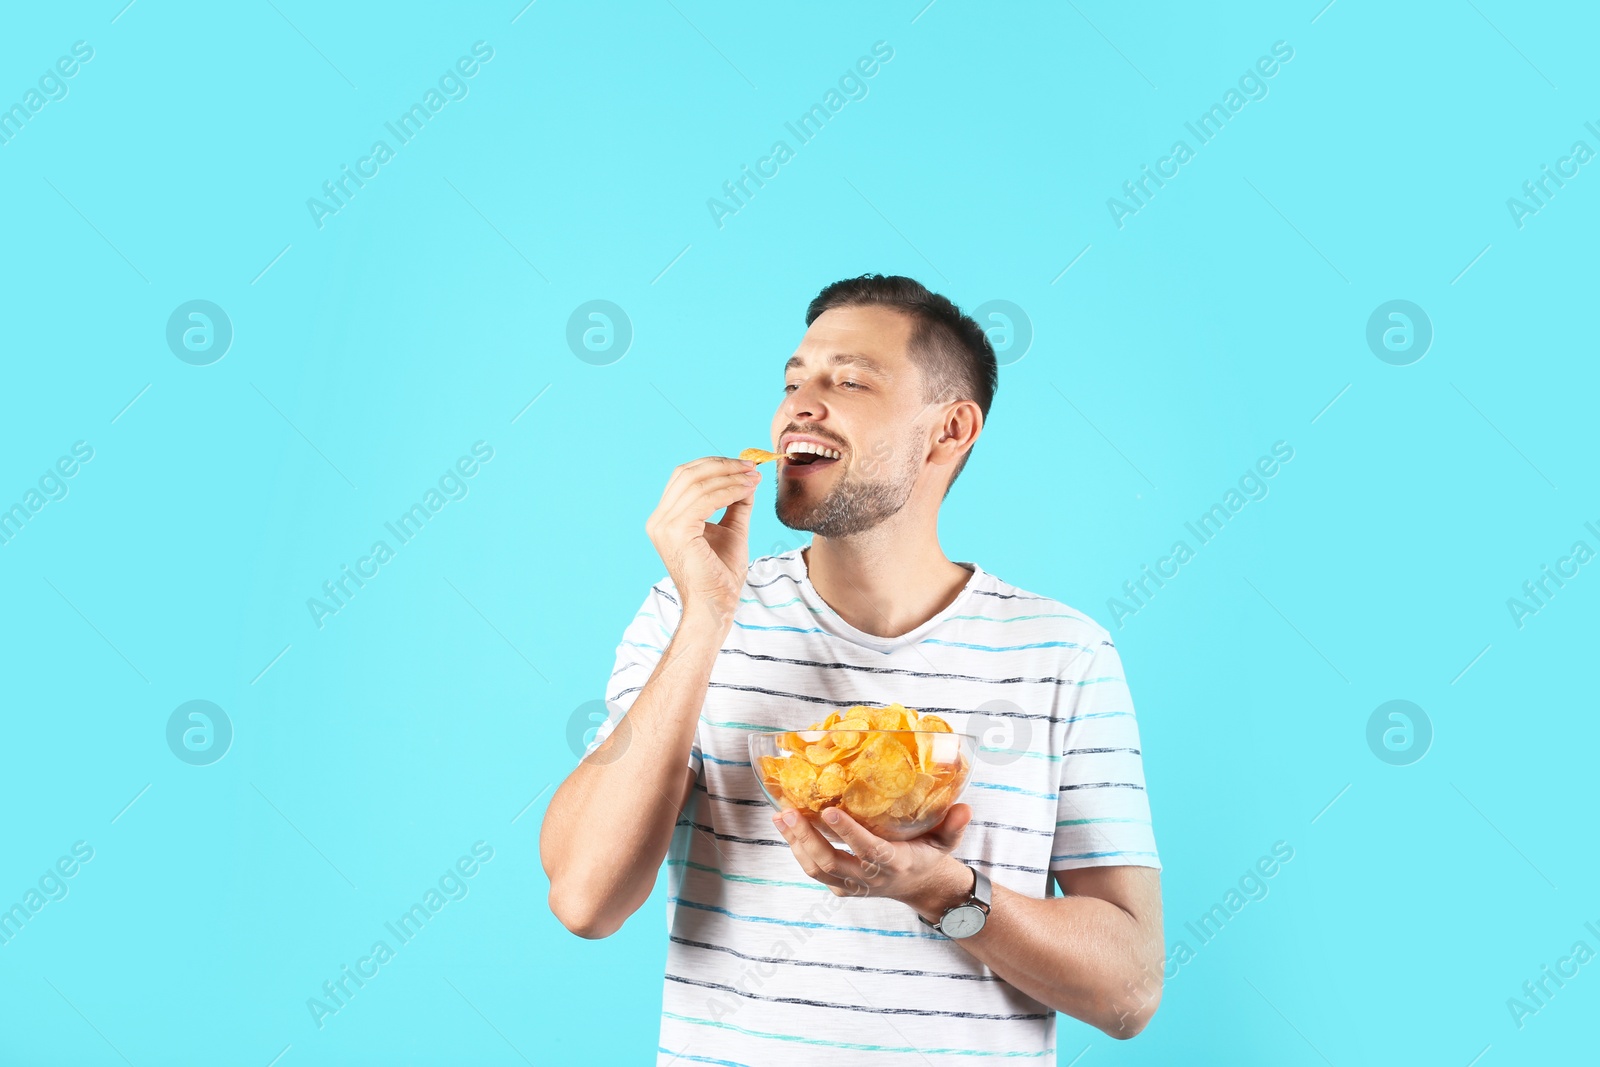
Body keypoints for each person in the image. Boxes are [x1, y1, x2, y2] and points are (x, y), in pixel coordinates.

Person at [541, 274, 1164, 1064]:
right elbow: (586, 897)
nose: (800, 402)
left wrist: (940, 890)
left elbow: (1129, 991)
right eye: (793, 379)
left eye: (848, 379)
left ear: (950, 429)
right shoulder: (683, 614)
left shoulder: (1063, 653)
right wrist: (707, 616)